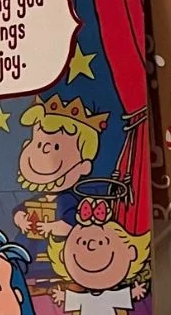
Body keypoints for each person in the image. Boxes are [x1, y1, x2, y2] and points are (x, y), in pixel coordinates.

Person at [46, 203, 150, 315]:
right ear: (63, 257)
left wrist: (135, 292)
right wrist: (61, 295)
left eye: (102, 242)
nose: (92, 247)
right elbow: (73, 300)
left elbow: (123, 297)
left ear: (131, 252)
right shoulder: (84, 297)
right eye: (82, 243)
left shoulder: (111, 295)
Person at [13, 95, 109, 245]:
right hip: (26, 253)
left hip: (57, 252)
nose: (45, 151)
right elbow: (19, 211)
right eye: (38, 144)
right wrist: (21, 220)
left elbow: (70, 225)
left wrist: (50, 227)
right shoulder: (37, 200)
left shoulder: (68, 200)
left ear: (84, 166)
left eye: (56, 147)